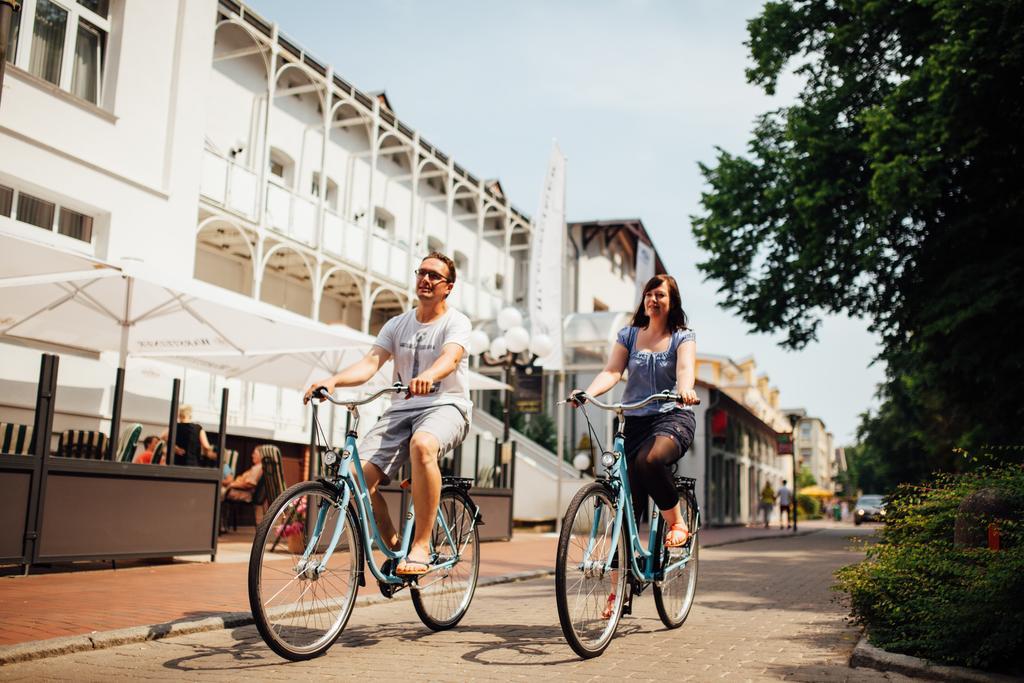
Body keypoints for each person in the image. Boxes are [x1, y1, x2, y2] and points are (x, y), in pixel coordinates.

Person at [304, 252, 472, 576]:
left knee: (423, 445)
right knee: (355, 480)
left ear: (448, 287)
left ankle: (422, 545)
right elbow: (370, 363)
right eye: (421, 272)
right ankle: (396, 547)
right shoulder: (397, 325)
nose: (425, 279)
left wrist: (430, 377)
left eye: (434, 275)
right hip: (402, 408)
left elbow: (450, 358)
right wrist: (333, 380)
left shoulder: (456, 322)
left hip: (446, 405)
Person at [572, 274, 699, 544]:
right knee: (627, 507)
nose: (653, 300)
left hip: (672, 417)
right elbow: (612, 371)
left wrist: (686, 389)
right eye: (649, 294)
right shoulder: (628, 335)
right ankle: (617, 586)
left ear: (672, 301)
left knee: (649, 460)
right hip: (634, 423)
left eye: (660, 295)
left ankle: (677, 523)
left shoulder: (682, 337)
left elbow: (685, 369)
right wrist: (587, 393)